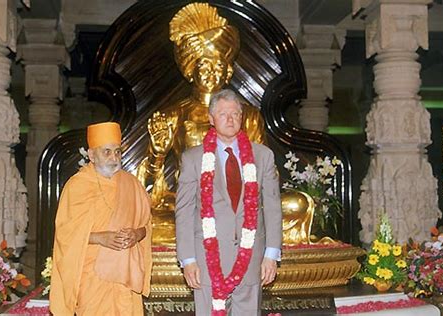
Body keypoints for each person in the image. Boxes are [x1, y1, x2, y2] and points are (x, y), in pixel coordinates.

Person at [135, 2, 266, 245]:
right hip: (190, 202)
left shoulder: (248, 115)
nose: (211, 73)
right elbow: (149, 189)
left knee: (296, 205)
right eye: (204, 65)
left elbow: (265, 172)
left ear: (228, 72)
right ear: (191, 71)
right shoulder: (173, 114)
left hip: (240, 203)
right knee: (151, 220)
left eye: (218, 66)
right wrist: (157, 154)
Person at [175, 89, 282, 315]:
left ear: (241, 118)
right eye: (223, 114)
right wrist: (188, 260)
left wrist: (271, 255)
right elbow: (184, 212)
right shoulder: (193, 158)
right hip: (206, 262)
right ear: (211, 119)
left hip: (251, 260)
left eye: (235, 114)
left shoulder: (263, 156)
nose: (230, 119)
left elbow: (272, 208)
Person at [49, 122, 152, 315]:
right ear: (91, 155)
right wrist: (100, 238)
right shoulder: (77, 186)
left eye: (118, 152)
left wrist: (136, 234)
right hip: (92, 276)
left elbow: (146, 226)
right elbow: (65, 233)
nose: (114, 158)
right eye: (107, 152)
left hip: (125, 277)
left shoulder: (132, 184)